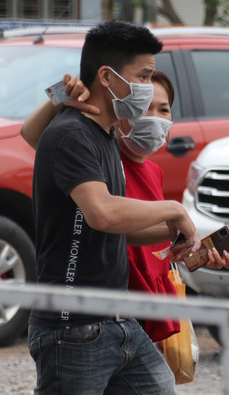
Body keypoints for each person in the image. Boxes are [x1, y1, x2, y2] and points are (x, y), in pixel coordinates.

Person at [26, 20, 201, 395]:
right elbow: (102, 213)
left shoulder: (103, 134)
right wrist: (173, 210)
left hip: (120, 323)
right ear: (107, 77)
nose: (146, 87)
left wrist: (187, 236)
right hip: (72, 330)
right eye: (143, 75)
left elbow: (120, 228)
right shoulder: (72, 134)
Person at [22, 70, 229, 343]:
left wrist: (196, 247)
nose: (154, 118)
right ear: (120, 111)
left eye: (164, 110)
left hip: (148, 300)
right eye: (143, 108)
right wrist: (62, 93)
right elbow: (31, 135)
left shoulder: (154, 171)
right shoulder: (99, 158)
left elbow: (146, 237)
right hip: (112, 304)